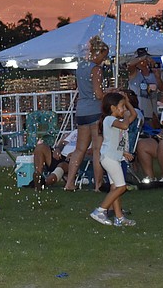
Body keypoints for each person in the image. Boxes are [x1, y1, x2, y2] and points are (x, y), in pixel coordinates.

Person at [64, 36, 108, 191]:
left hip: (81, 110)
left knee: (79, 149)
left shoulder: (80, 66)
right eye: (104, 55)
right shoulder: (96, 69)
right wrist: (109, 91)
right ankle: (98, 185)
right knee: (97, 149)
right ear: (98, 53)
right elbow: (98, 94)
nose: (105, 59)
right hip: (95, 110)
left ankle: (69, 183)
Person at [89, 91, 137, 227]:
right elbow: (126, 125)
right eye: (122, 107)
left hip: (113, 157)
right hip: (109, 158)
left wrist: (126, 101)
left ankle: (119, 217)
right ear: (113, 108)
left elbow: (134, 115)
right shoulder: (109, 120)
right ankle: (100, 211)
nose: (125, 110)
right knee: (122, 187)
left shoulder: (119, 120)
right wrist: (126, 116)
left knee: (115, 187)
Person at [121, 89, 163, 183]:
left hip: (124, 145)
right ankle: (150, 176)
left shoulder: (134, 113)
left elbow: (128, 119)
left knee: (143, 145)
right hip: (120, 143)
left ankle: (157, 176)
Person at [127, 49, 163, 126]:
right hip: (137, 112)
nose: (143, 62)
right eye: (140, 60)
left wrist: (158, 78)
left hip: (152, 114)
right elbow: (129, 64)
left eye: (145, 60)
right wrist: (144, 57)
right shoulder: (135, 73)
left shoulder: (154, 73)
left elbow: (162, 89)